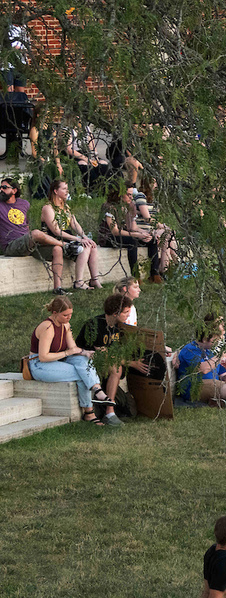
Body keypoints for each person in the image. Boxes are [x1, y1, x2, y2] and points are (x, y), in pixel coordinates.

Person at [30, 295, 120, 425]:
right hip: (39, 365)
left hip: (58, 361)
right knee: (82, 374)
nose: (69, 318)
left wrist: (85, 352)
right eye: (65, 315)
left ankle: (97, 390)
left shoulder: (65, 325)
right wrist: (67, 352)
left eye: (70, 314)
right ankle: (89, 412)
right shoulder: (48, 327)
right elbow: (43, 357)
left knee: (84, 362)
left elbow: (73, 347)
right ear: (55, 313)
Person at [35, 178, 102, 292]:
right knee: (84, 247)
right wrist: (78, 239)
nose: (67, 191)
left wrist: (84, 236)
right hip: (54, 239)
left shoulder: (66, 207)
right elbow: (56, 231)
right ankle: (79, 282)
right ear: (56, 191)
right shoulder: (48, 207)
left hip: (68, 238)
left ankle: (94, 279)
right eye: (64, 189)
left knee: (92, 246)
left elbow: (75, 224)